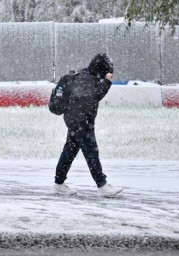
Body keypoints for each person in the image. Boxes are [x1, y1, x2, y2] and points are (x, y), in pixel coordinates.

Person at [53, 53, 123, 197]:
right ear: (102, 69)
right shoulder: (90, 80)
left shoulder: (83, 75)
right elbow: (95, 96)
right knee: (91, 153)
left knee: (68, 153)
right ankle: (102, 186)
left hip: (74, 122)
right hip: (82, 123)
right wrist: (107, 83)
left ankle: (58, 184)